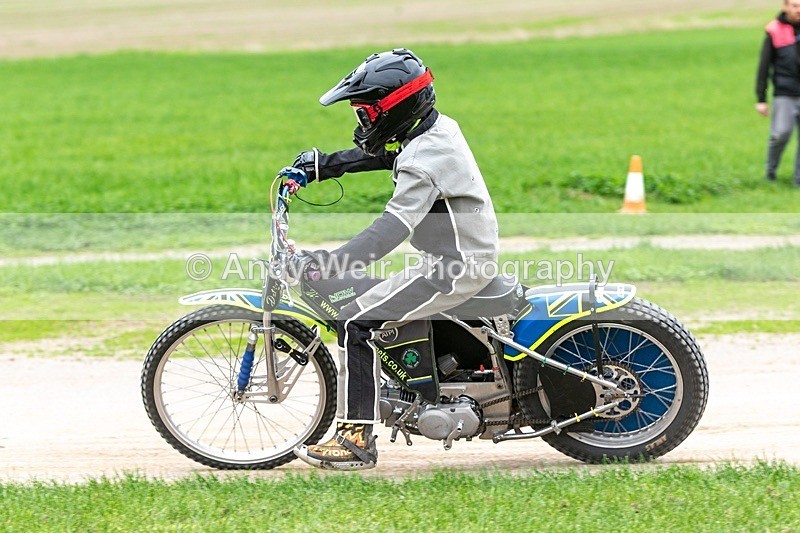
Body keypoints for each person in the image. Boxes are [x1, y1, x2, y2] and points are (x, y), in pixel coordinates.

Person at [287, 49, 499, 470]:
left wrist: (329, 264)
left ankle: (355, 439)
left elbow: (391, 229)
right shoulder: (435, 132)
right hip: (451, 260)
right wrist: (327, 165)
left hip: (453, 270)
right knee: (370, 301)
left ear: (395, 108)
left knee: (355, 321)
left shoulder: (423, 159)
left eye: (366, 113)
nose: (362, 122)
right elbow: (391, 155)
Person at [756, 0, 800, 187]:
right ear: (785, 7)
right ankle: (771, 171)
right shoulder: (774, 30)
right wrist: (761, 98)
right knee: (780, 134)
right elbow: (764, 67)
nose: (799, 10)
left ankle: (799, 180)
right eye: (795, 5)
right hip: (785, 92)